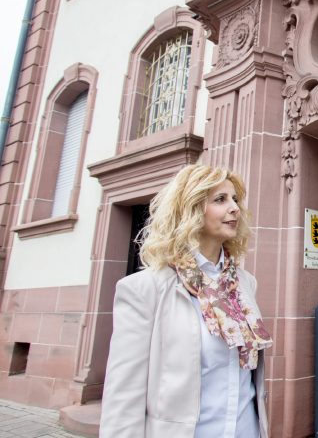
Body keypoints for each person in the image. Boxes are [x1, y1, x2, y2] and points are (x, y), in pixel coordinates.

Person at [99, 164, 272, 437]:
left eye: (235, 200)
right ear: (191, 209)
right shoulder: (146, 289)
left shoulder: (244, 284)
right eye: (220, 199)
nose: (235, 208)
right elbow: (123, 396)